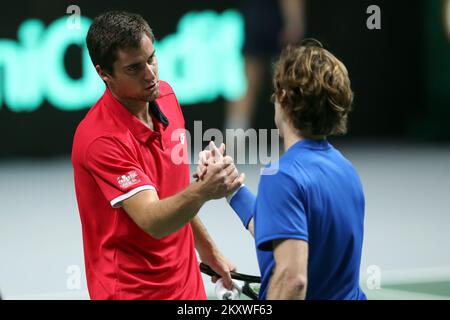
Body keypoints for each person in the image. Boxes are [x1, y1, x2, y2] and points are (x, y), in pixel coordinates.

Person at [72, 11, 244, 300]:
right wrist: (204, 190)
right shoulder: (100, 139)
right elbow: (154, 220)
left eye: (152, 58)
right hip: (131, 292)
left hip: (187, 285)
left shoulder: (165, 97)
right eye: (134, 68)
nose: (151, 74)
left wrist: (207, 248)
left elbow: (172, 194)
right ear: (104, 73)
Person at [196, 39, 367, 300]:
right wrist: (233, 189)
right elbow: (286, 228)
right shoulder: (346, 170)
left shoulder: (284, 176)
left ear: (283, 98)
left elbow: (293, 280)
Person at [225, 0, 305, 132]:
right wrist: (294, 22)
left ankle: (235, 134)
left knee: (248, 81)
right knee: (288, 81)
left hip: (254, 15)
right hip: (275, 20)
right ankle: (298, 133)